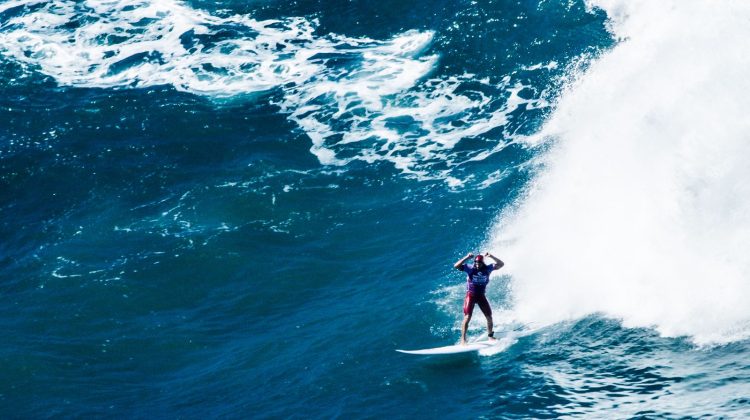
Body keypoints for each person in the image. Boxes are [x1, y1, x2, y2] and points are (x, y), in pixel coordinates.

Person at [454, 252, 504, 345]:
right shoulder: (470, 268)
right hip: (471, 296)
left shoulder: (488, 268)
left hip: (481, 296)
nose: (477, 264)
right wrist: (467, 257)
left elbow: (501, 264)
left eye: (479, 263)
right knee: (467, 317)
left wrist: (491, 256)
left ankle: (490, 336)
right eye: (476, 263)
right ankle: (463, 340)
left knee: (489, 317)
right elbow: (456, 266)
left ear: (482, 263)